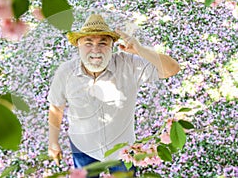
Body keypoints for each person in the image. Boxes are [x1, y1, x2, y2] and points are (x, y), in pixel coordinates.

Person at [47, 14, 180, 177]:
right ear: (78, 46)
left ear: (111, 46)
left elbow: (172, 69)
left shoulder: (129, 65)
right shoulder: (66, 72)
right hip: (83, 147)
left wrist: (140, 49)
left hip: (122, 150)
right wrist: (53, 142)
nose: (95, 49)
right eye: (88, 43)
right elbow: (56, 106)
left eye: (103, 43)